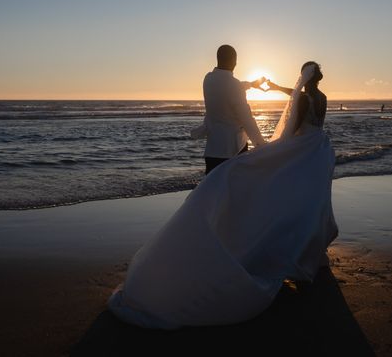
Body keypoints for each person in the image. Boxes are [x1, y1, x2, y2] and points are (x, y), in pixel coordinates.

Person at [108, 61, 337, 329]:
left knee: (283, 198)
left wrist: (269, 151)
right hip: (318, 151)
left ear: (304, 76)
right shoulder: (321, 97)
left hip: (298, 150)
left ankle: (285, 250)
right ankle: (310, 250)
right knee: (311, 201)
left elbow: (290, 129)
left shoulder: (302, 99)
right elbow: (300, 98)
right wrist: (275, 87)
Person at [192, 44, 267, 174]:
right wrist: (262, 147)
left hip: (213, 150)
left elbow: (225, 87)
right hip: (232, 151)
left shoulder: (208, 79)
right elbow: (246, 120)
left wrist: (250, 84)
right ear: (234, 60)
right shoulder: (234, 85)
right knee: (235, 191)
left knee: (213, 191)